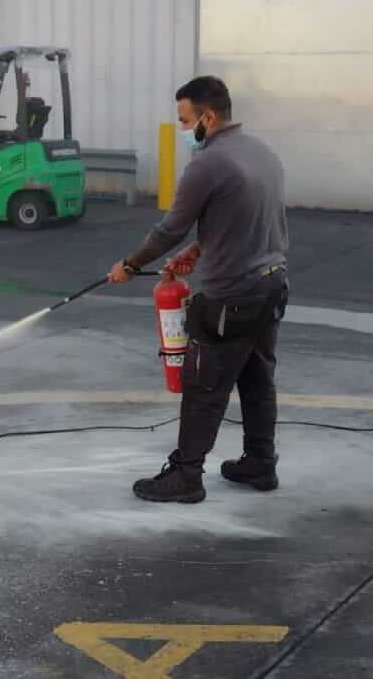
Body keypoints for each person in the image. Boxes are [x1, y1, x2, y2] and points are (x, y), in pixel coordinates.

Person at [108, 75, 289, 504]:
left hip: (231, 297)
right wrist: (200, 247)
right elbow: (245, 215)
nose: (187, 130)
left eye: (187, 121)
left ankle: (186, 475)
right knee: (257, 379)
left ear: (208, 116)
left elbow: (168, 229)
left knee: (203, 386)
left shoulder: (207, 163)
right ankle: (260, 463)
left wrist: (130, 266)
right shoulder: (261, 152)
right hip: (272, 285)